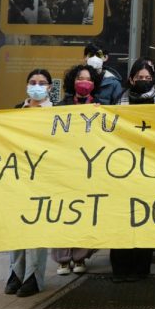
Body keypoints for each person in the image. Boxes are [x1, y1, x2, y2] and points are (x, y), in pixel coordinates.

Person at [108, 59, 155, 282]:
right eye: (139, 77)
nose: (143, 81)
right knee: (122, 219)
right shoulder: (117, 100)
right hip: (122, 168)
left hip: (151, 168)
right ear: (131, 79)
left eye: (147, 78)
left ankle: (142, 268)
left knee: (145, 218)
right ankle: (120, 269)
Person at [50, 63, 103, 276]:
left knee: (85, 212)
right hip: (65, 167)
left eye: (88, 79)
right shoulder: (60, 106)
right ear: (73, 81)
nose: (84, 82)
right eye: (80, 78)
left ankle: (81, 257)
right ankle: (63, 259)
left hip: (89, 167)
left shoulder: (101, 107)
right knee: (62, 212)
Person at [4, 68, 54, 296]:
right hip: (20, 175)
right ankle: (16, 272)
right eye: (33, 81)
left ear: (50, 88)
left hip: (45, 176)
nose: (37, 86)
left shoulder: (60, 112)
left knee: (37, 227)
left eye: (42, 82)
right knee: (17, 224)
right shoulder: (17, 111)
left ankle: (33, 277)